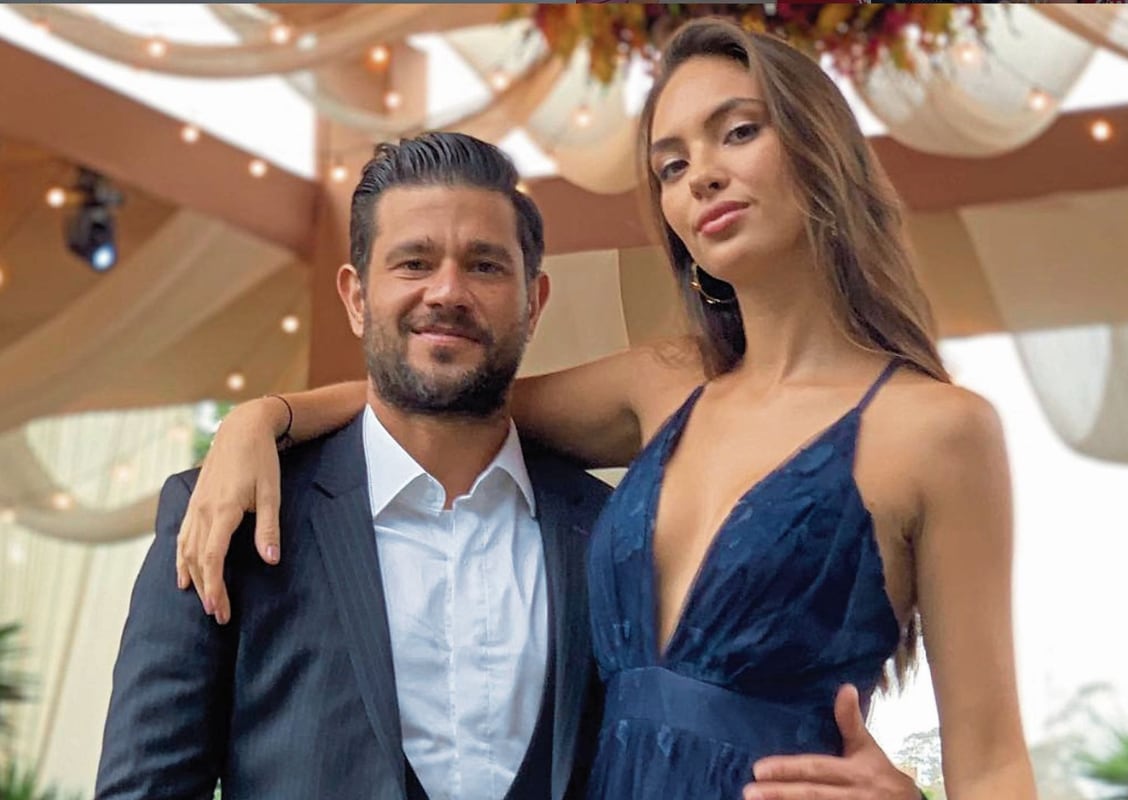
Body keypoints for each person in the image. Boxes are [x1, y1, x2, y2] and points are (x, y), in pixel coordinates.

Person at [177, 18, 1034, 800]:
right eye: (671, 165)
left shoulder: (938, 432)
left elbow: (994, 760)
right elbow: (439, 397)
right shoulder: (663, 385)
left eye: (739, 131)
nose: (702, 174)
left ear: (823, 148)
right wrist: (263, 420)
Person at [98, 130, 918, 800]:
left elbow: (713, 735)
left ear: (534, 301)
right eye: (414, 262)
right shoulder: (230, 513)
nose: (447, 292)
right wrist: (264, 418)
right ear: (355, 296)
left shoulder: (615, 542)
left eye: (485, 265)